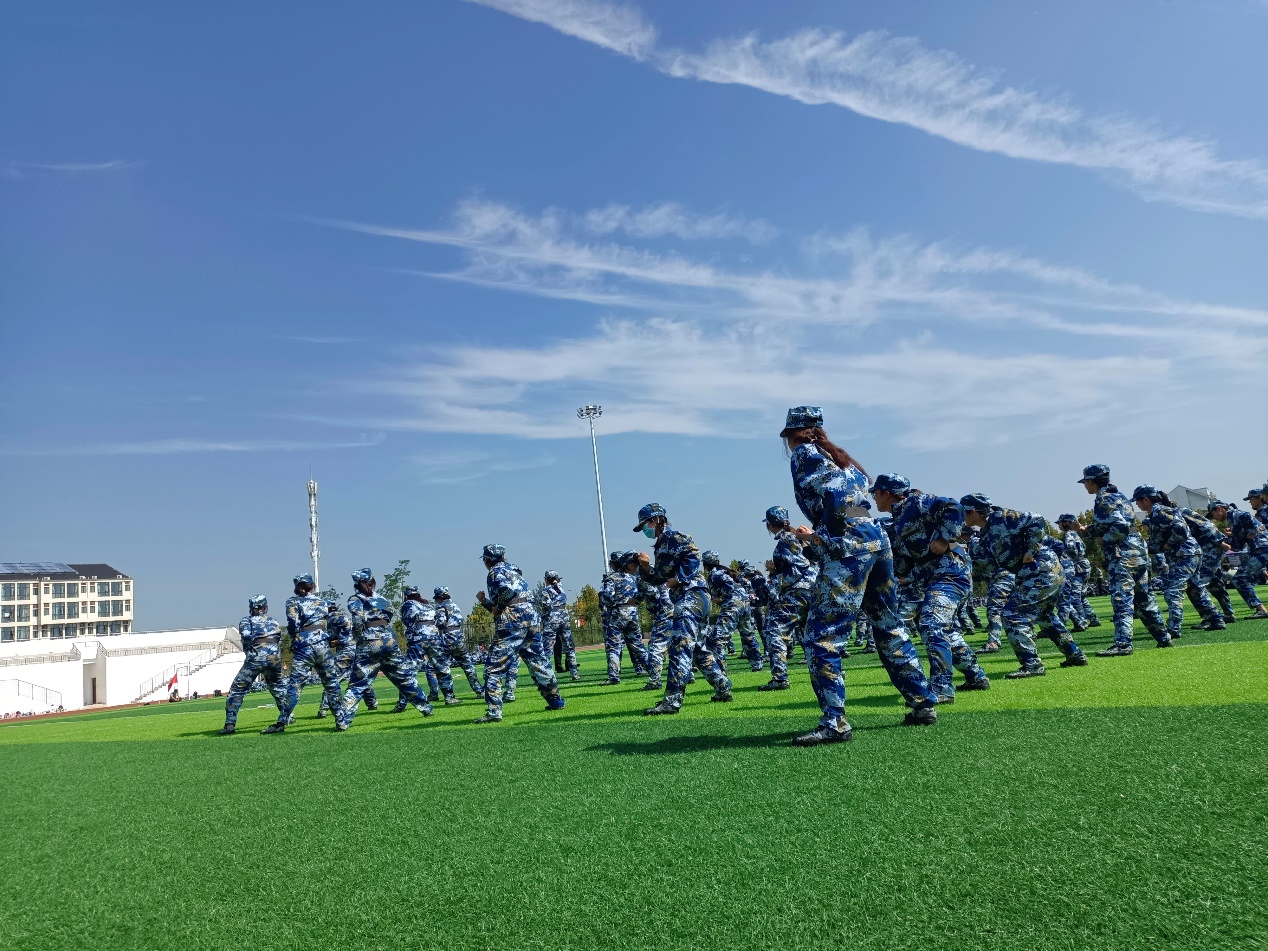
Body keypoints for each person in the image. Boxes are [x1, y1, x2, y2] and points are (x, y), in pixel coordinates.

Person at [780, 407, 938, 745]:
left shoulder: (804, 453)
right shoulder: (840, 458)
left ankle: (834, 722)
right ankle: (923, 702)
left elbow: (836, 497)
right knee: (888, 624)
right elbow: (855, 501)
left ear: (791, 435)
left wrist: (827, 537)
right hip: (875, 540)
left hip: (848, 547)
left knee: (822, 637)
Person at [870, 473, 989, 702]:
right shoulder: (896, 521)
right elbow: (904, 561)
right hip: (932, 577)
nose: (874, 498)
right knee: (945, 630)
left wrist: (945, 538)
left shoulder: (915, 502)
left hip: (951, 571)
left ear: (886, 493)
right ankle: (976, 676)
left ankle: (942, 688)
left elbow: (954, 507)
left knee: (932, 625)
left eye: (875, 493)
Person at [961, 494, 1087, 678]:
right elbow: (989, 564)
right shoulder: (985, 534)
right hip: (1035, 573)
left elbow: (1036, 520)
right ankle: (1074, 654)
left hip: (1041, 570)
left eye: (963, 512)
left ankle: (1032, 664)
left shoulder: (1001, 517)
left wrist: (1031, 550)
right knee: (1044, 616)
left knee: (1013, 614)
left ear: (973, 511)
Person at [635, 503, 732, 715]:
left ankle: (672, 701)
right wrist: (645, 567)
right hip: (692, 597)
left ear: (657, 520)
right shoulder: (661, 545)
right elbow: (659, 578)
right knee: (698, 649)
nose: (645, 529)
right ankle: (723, 687)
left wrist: (680, 578)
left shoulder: (674, 536)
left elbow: (693, 553)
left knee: (679, 647)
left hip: (692, 596)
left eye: (646, 524)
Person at [1079, 464, 1169, 655]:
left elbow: (1119, 526)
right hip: (1138, 552)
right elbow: (1118, 523)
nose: (1085, 486)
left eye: (1085, 482)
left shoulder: (1103, 498)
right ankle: (1163, 636)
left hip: (1122, 554)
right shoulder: (1119, 496)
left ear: (1091, 481)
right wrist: (1087, 530)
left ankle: (1123, 644)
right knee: (1144, 598)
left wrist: (1105, 539)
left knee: (1122, 599)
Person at [471, 545, 565, 723]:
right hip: (531, 618)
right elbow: (513, 595)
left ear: (487, 559)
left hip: (512, 621)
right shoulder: (514, 570)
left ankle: (494, 712)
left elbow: (505, 594)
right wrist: (486, 602)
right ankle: (556, 701)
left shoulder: (494, 572)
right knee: (539, 662)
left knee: (493, 668)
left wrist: (498, 607)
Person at [338, 568, 435, 731]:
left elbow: (357, 619)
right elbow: (389, 616)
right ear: (373, 581)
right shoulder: (382, 599)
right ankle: (426, 707)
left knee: (357, 684)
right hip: (389, 641)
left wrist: (358, 636)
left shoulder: (355, 599)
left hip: (369, 642)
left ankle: (343, 721)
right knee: (404, 678)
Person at [1132, 487, 1206, 642]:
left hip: (1185, 554)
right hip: (1189, 553)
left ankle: (1174, 628)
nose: (1137, 504)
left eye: (1138, 501)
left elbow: (1181, 528)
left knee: (1172, 590)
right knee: (1195, 588)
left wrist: (1169, 544)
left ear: (1146, 499)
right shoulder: (1157, 512)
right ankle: (1214, 618)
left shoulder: (1159, 511)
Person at [759, 505, 817, 691]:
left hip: (797, 591)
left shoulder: (786, 539)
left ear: (770, 525)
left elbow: (799, 567)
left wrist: (775, 578)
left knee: (775, 631)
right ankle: (827, 670)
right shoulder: (796, 536)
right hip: (812, 590)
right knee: (809, 633)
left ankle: (779, 678)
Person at [278, 572, 345, 730]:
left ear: (298, 587)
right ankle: (341, 721)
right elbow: (330, 622)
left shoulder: (293, 601)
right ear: (312, 586)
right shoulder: (322, 601)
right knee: (332, 683)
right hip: (323, 644)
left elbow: (293, 623)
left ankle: (282, 722)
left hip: (304, 644)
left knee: (295, 685)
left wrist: (295, 637)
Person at [219, 595, 290, 735]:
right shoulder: (273, 621)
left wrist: (249, 652)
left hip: (256, 658)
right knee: (278, 688)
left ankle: (230, 724)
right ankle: (287, 716)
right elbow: (278, 638)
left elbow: (246, 637)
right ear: (266, 607)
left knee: (237, 690)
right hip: (274, 658)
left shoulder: (247, 620)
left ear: (251, 608)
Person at [395, 586, 460, 710]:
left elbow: (407, 621)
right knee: (442, 667)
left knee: (409, 671)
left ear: (407, 596)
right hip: (434, 637)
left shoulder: (408, 604)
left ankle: (402, 703)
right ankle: (450, 697)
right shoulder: (427, 605)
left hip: (418, 638)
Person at [703, 551, 763, 674]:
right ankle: (757, 663)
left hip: (732, 604)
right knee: (748, 635)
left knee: (718, 638)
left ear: (705, 564)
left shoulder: (713, 574)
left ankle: (721, 670)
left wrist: (718, 599)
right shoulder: (727, 571)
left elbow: (717, 596)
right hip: (745, 602)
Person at [1206, 500, 1268, 619]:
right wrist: (1231, 536)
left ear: (1219, 509)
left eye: (1213, 514)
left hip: (1261, 548)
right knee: (1246, 575)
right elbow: (1237, 546)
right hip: (1258, 549)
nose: (1214, 518)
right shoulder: (1231, 519)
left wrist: (1253, 530)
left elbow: (1247, 515)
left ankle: (1261, 610)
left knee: (1239, 578)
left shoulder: (1234, 514)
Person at [318, 600, 376, 718]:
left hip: (346, 651)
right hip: (358, 649)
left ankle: (324, 709)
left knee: (332, 679)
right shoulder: (344, 617)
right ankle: (372, 702)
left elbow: (331, 638)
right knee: (360, 677)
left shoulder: (330, 619)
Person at [434, 587, 486, 696]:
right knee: (468, 665)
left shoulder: (441, 607)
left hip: (447, 638)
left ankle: (449, 696)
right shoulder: (455, 606)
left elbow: (441, 623)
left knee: (443, 667)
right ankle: (479, 690)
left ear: (439, 597)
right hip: (459, 637)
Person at [1055, 515, 1099, 631]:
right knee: (1082, 596)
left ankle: (1082, 621)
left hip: (1077, 566)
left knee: (1075, 596)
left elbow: (1071, 549)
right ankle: (1093, 618)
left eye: (1059, 523)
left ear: (1066, 523)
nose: (1058, 525)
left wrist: (1062, 554)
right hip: (1083, 564)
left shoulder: (1068, 534)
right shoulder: (1075, 533)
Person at [541, 571, 580, 681]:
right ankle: (575, 674)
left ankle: (547, 676)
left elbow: (546, 605)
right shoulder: (561, 589)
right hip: (564, 619)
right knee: (569, 647)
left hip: (552, 619)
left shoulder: (546, 591)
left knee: (547, 649)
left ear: (546, 579)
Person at [638, 572, 675, 691]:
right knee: (676, 646)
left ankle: (654, 681)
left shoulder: (644, 577)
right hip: (678, 611)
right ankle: (688, 675)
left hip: (664, 613)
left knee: (655, 648)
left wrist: (638, 598)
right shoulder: (661, 573)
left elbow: (652, 593)